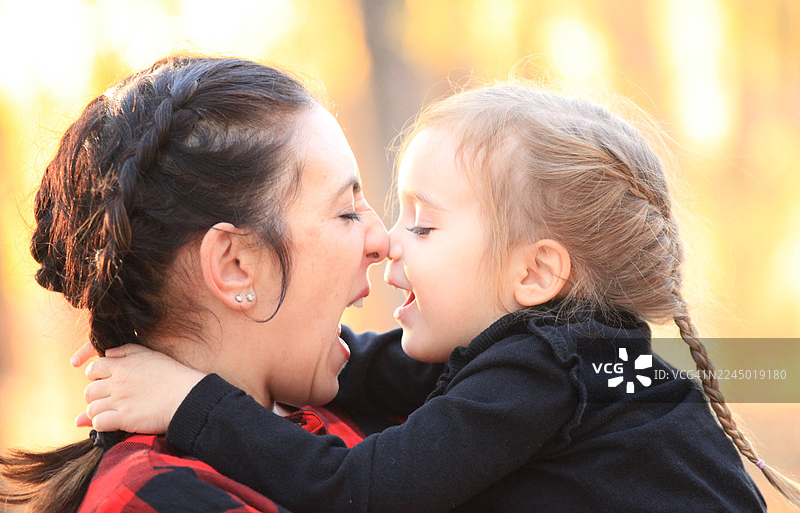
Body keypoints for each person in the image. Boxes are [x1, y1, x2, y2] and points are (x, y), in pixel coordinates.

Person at [78, 83, 800, 512]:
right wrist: (160, 345)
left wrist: (191, 399)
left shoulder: (547, 372)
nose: (389, 241)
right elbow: (379, 367)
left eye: (422, 222)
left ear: (535, 275)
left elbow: (363, 492)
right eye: (353, 211)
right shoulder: (580, 360)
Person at [0, 54, 444, 512]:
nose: (382, 241)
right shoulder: (159, 497)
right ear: (235, 265)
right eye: (347, 211)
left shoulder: (376, 421)